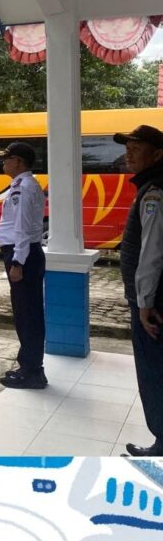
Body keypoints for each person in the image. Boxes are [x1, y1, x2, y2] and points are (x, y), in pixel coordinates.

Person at [114, 124, 163, 457]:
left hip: (153, 304)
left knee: (152, 371)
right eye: (127, 148)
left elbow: (151, 252)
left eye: (136, 148)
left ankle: (161, 443)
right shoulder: (150, 186)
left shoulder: (154, 191)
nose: (128, 154)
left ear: (157, 154)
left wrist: (144, 302)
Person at [0, 141, 47, 390]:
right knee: (27, 313)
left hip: (23, 256)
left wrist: (18, 261)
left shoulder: (23, 188)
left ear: (18, 161)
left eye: (7, 158)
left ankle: (31, 371)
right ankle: (30, 366)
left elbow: (22, 228)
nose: (4, 163)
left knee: (27, 315)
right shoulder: (25, 185)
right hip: (26, 254)